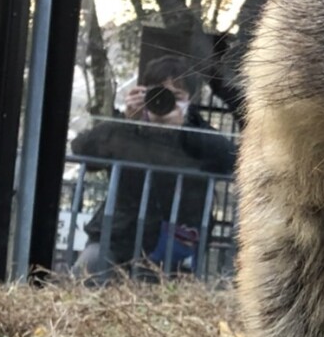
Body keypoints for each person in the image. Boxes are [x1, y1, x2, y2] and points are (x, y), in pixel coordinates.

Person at [69, 55, 237, 284]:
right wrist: (126, 122)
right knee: (86, 274)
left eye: (176, 96)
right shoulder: (127, 129)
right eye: (157, 93)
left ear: (191, 99)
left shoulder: (199, 133)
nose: (164, 101)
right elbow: (83, 150)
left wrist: (183, 129)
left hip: (174, 248)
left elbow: (232, 160)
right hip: (117, 238)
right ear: (143, 92)